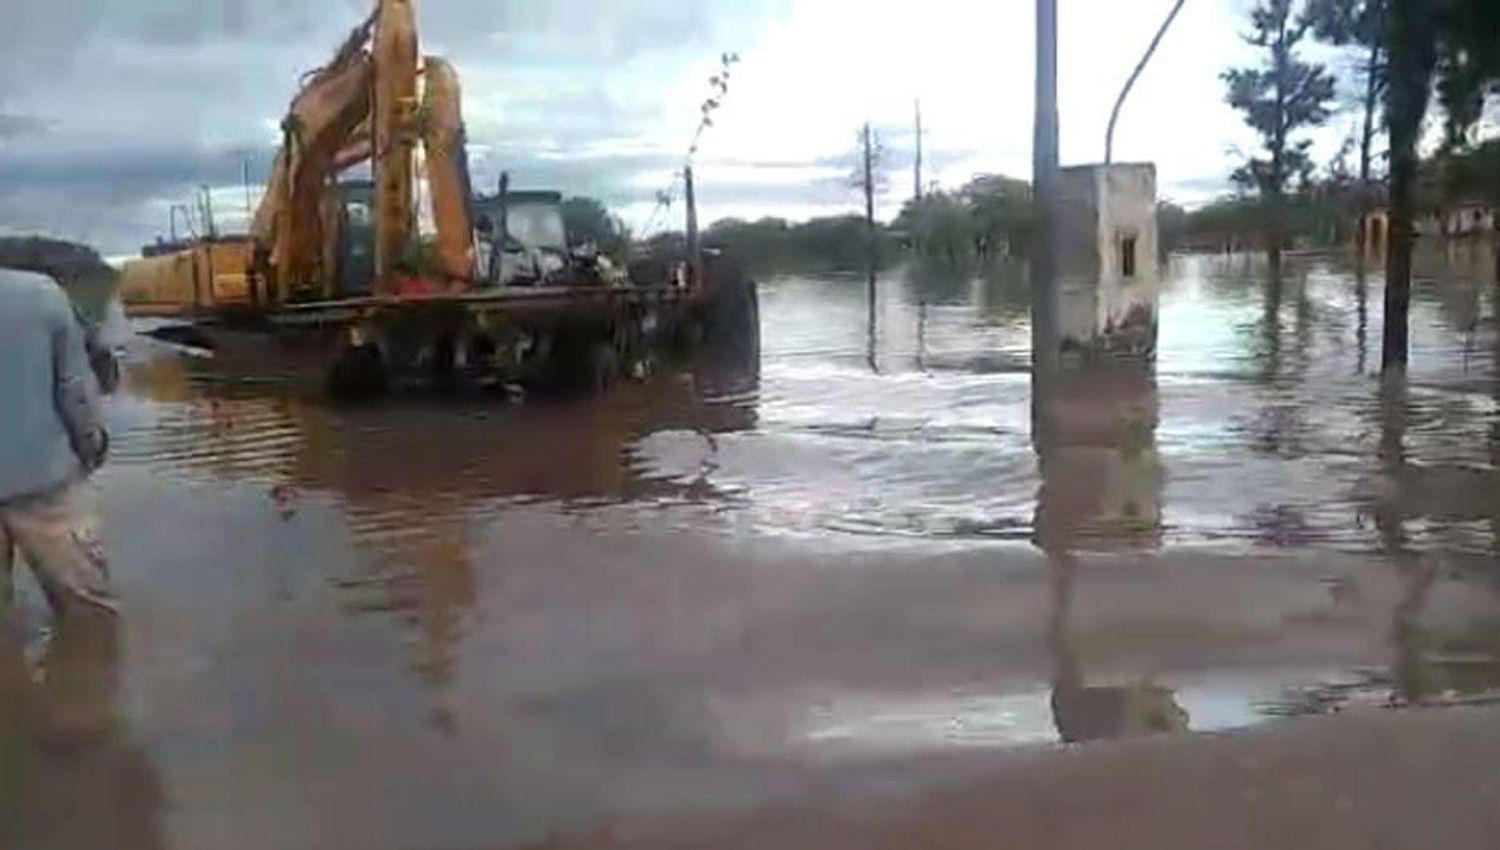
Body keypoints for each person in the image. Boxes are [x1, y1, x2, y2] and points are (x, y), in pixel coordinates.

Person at [0, 268, 115, 618]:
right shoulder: (41, 293)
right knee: (91, 617)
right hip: (45, 481)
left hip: (42, 477)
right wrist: (91, 444)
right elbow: (74, 391)